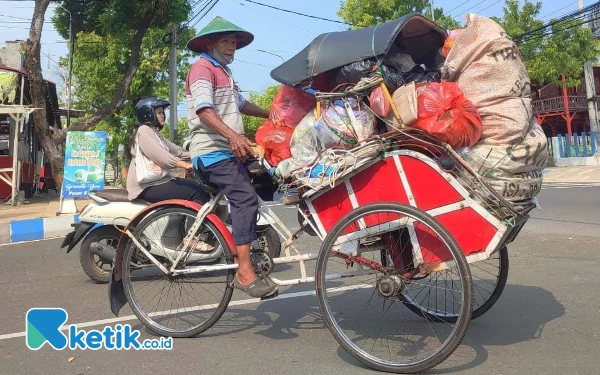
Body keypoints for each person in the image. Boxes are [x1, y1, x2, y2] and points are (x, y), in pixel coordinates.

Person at [185, 16, 279, 298]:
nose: (231, 47)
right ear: (210, 43)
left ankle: (254, 242)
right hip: (211, 153)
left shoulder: (224, 72)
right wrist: (234, 136)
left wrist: (273, 114)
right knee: (244, 197)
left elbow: (240, 104)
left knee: (271, 180)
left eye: (234, 43)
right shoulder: (202, 68)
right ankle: (244, 271)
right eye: (225, 41)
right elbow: (204, 110)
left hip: (228, 150)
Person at [126, 96, 212, 251]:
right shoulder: (144, 131)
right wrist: (184, 165)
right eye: (159, 112)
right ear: (148, 114)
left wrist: (204, 153)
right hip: (145, 185)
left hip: (157, 182)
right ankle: (190, 237)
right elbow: (161, 157)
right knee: (197, 192)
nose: (163, 115)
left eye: (162, 112)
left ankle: (177, 236)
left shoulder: (156, 134)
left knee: (197, 187)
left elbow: (178, 151)